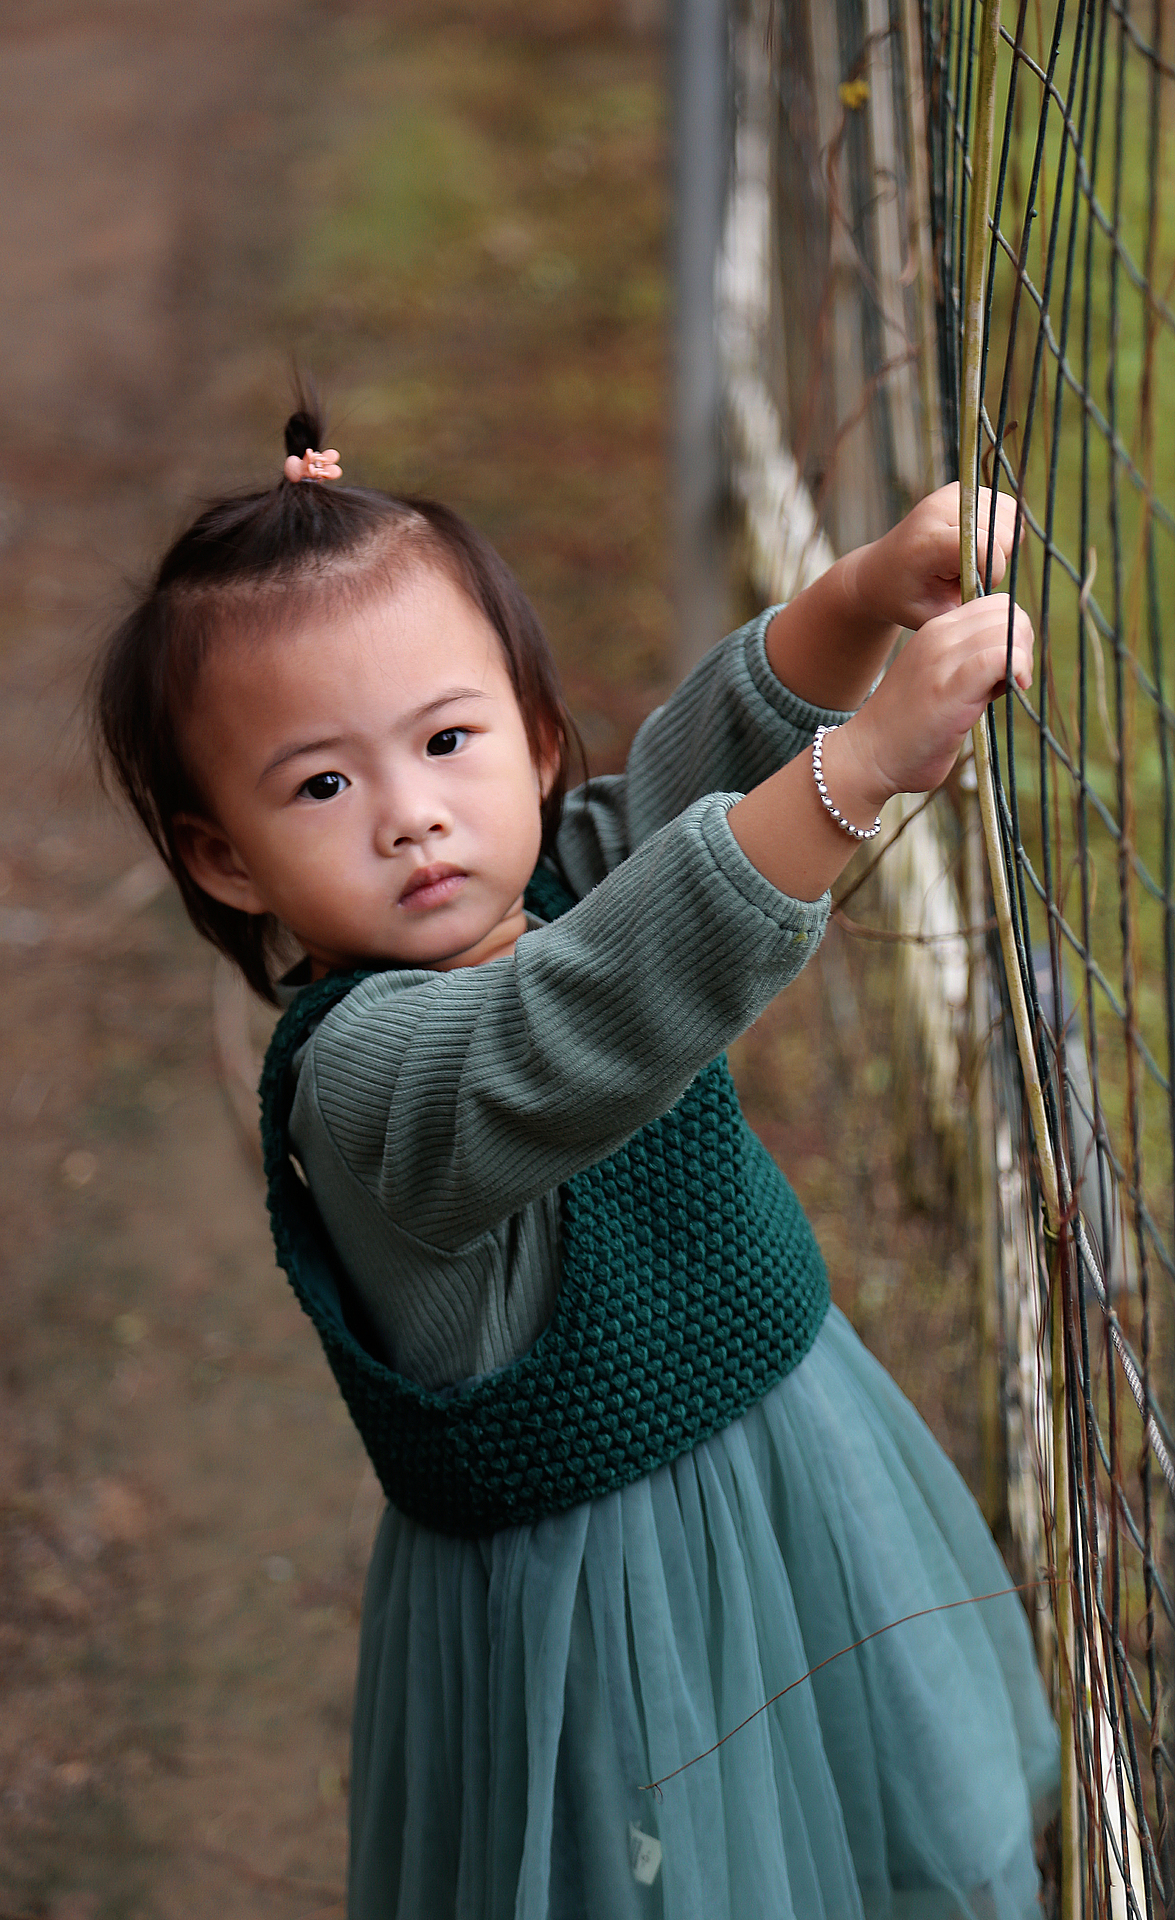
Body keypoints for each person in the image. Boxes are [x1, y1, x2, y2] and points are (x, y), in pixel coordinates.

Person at [93, 394, 1059, 1920]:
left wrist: (866, 592)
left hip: (798, 1491)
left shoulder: (544, 882)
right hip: (605, 1623)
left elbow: (690, 771)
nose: (413, 815)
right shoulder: (364, 1081)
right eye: (323, 784)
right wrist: (861, 771)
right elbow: (572, 1024)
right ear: (223, 852)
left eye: (448, 740)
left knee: (866, 1835)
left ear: (534, 746)